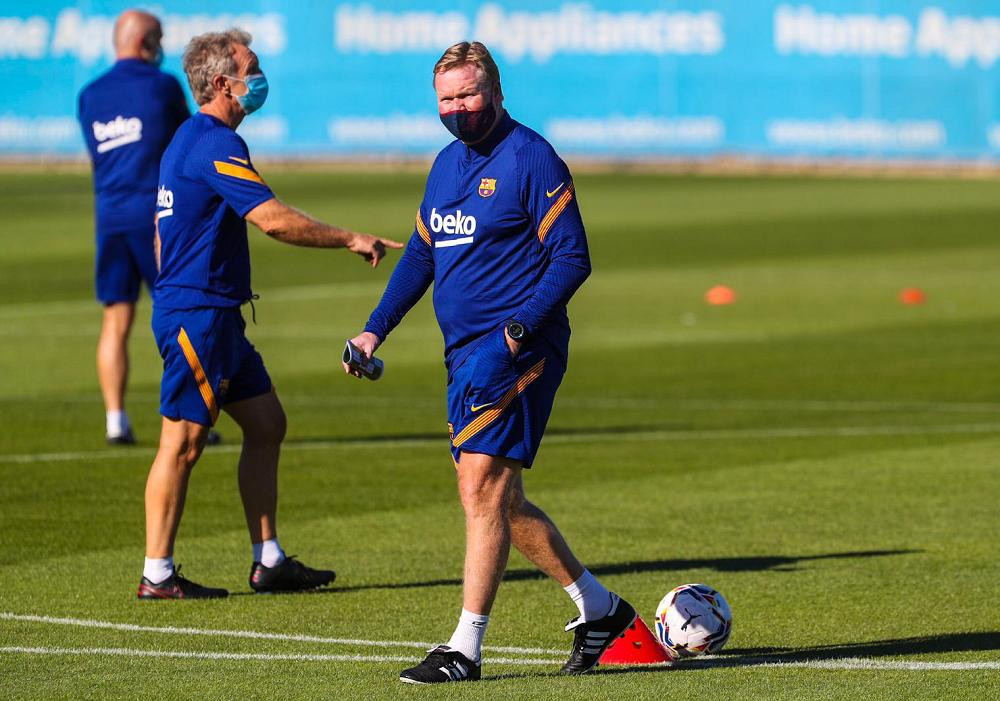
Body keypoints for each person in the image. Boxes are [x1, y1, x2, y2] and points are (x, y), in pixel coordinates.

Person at [345, 41, 636, 683]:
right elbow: (421, 257)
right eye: (446, 99)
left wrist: (512, 335)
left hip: (517, 350)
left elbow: (571, 259)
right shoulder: (446, 165)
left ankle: (465, 649)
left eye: (468, 95)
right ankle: (601, 611)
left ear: (496, 92)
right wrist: (373, 331)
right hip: (462, 357)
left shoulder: (532, 157)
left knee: (481, 487)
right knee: (502, 500)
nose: (458, 109)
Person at [138, 28, 402, 599]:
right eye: (251, 69)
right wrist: (350, 237)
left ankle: (269, 560)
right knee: (181, 442)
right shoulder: (212, 142)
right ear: (221, 83)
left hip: (218, 315)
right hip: (199, 317)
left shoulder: (190, 139)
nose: (259, 79)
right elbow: (273, 219)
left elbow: (162, 234)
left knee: (266, 424)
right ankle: (157, 573)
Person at [78, 10, 190, 445]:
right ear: (145, 41)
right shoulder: (162, 87)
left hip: (109, 215)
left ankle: (115, 420)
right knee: (178, 312)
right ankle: (186, 415)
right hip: (154, 217)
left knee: (115, 319)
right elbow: (186, 142)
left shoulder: (90, 94)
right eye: (159, 38)